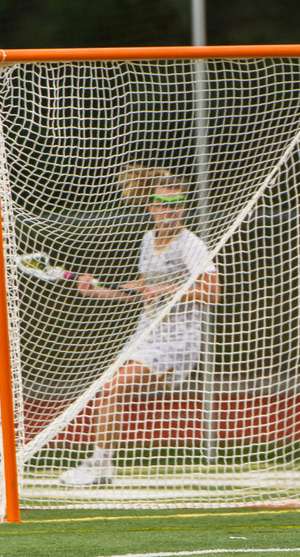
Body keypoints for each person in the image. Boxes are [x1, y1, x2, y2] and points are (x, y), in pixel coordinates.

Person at [59, 166, 220, 486]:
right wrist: (101, 289)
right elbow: (143, 288)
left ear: (184, 207)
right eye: (163, 204)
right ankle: (101, 464)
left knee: (113, 388)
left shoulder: (190, 244)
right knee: (108, 390)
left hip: (178, 342)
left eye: (176, 205)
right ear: (152, 207)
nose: (170, 212)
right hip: (145, 335)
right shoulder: (148, 240)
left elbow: (212, 291)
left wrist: (169, 291)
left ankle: (101, 465)